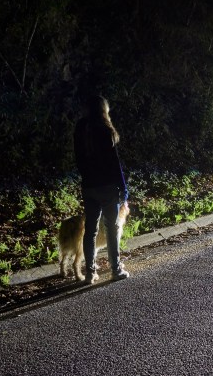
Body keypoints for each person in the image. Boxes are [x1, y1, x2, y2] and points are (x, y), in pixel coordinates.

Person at [74, 95, 130, 284]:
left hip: (89, 186)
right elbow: (114, 162)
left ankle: (90, 273)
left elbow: (79, 160)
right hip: (107, 187)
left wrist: (86, 178)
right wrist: (123, 187)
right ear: (103, 110)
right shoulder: (106, 129)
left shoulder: (80, 128)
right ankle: (115, 269)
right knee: (111, 229)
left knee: (90, 230)